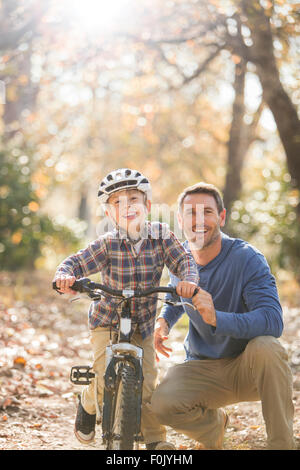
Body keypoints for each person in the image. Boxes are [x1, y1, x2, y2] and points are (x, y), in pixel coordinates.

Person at [53, 168, 199, 450]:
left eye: (133, 198)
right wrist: (65, 276)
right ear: (109, 215)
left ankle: (156, 440)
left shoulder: (162, 237)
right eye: (117, 202)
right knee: (99, 378)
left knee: (147, 384)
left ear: (148, 206)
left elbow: (185, 263)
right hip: (107, 319)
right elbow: (75, 262)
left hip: (143, 322)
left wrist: (188, 281)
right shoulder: (106, 244)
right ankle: (88, 400)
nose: (127, 206)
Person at [151, 182, 295, 450]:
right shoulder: (179, 258)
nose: (199, 220)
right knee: (160, 404)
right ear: (180, 219)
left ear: (221, 216)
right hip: (203, 368)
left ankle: (281, 444)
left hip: (248, 368)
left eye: (207, 211)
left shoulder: (247, 258)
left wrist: (217, 317)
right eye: (191, 213)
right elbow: (175, 297)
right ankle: (214, 428)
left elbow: (272, 321)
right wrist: (164, 320)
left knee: (268, 347)